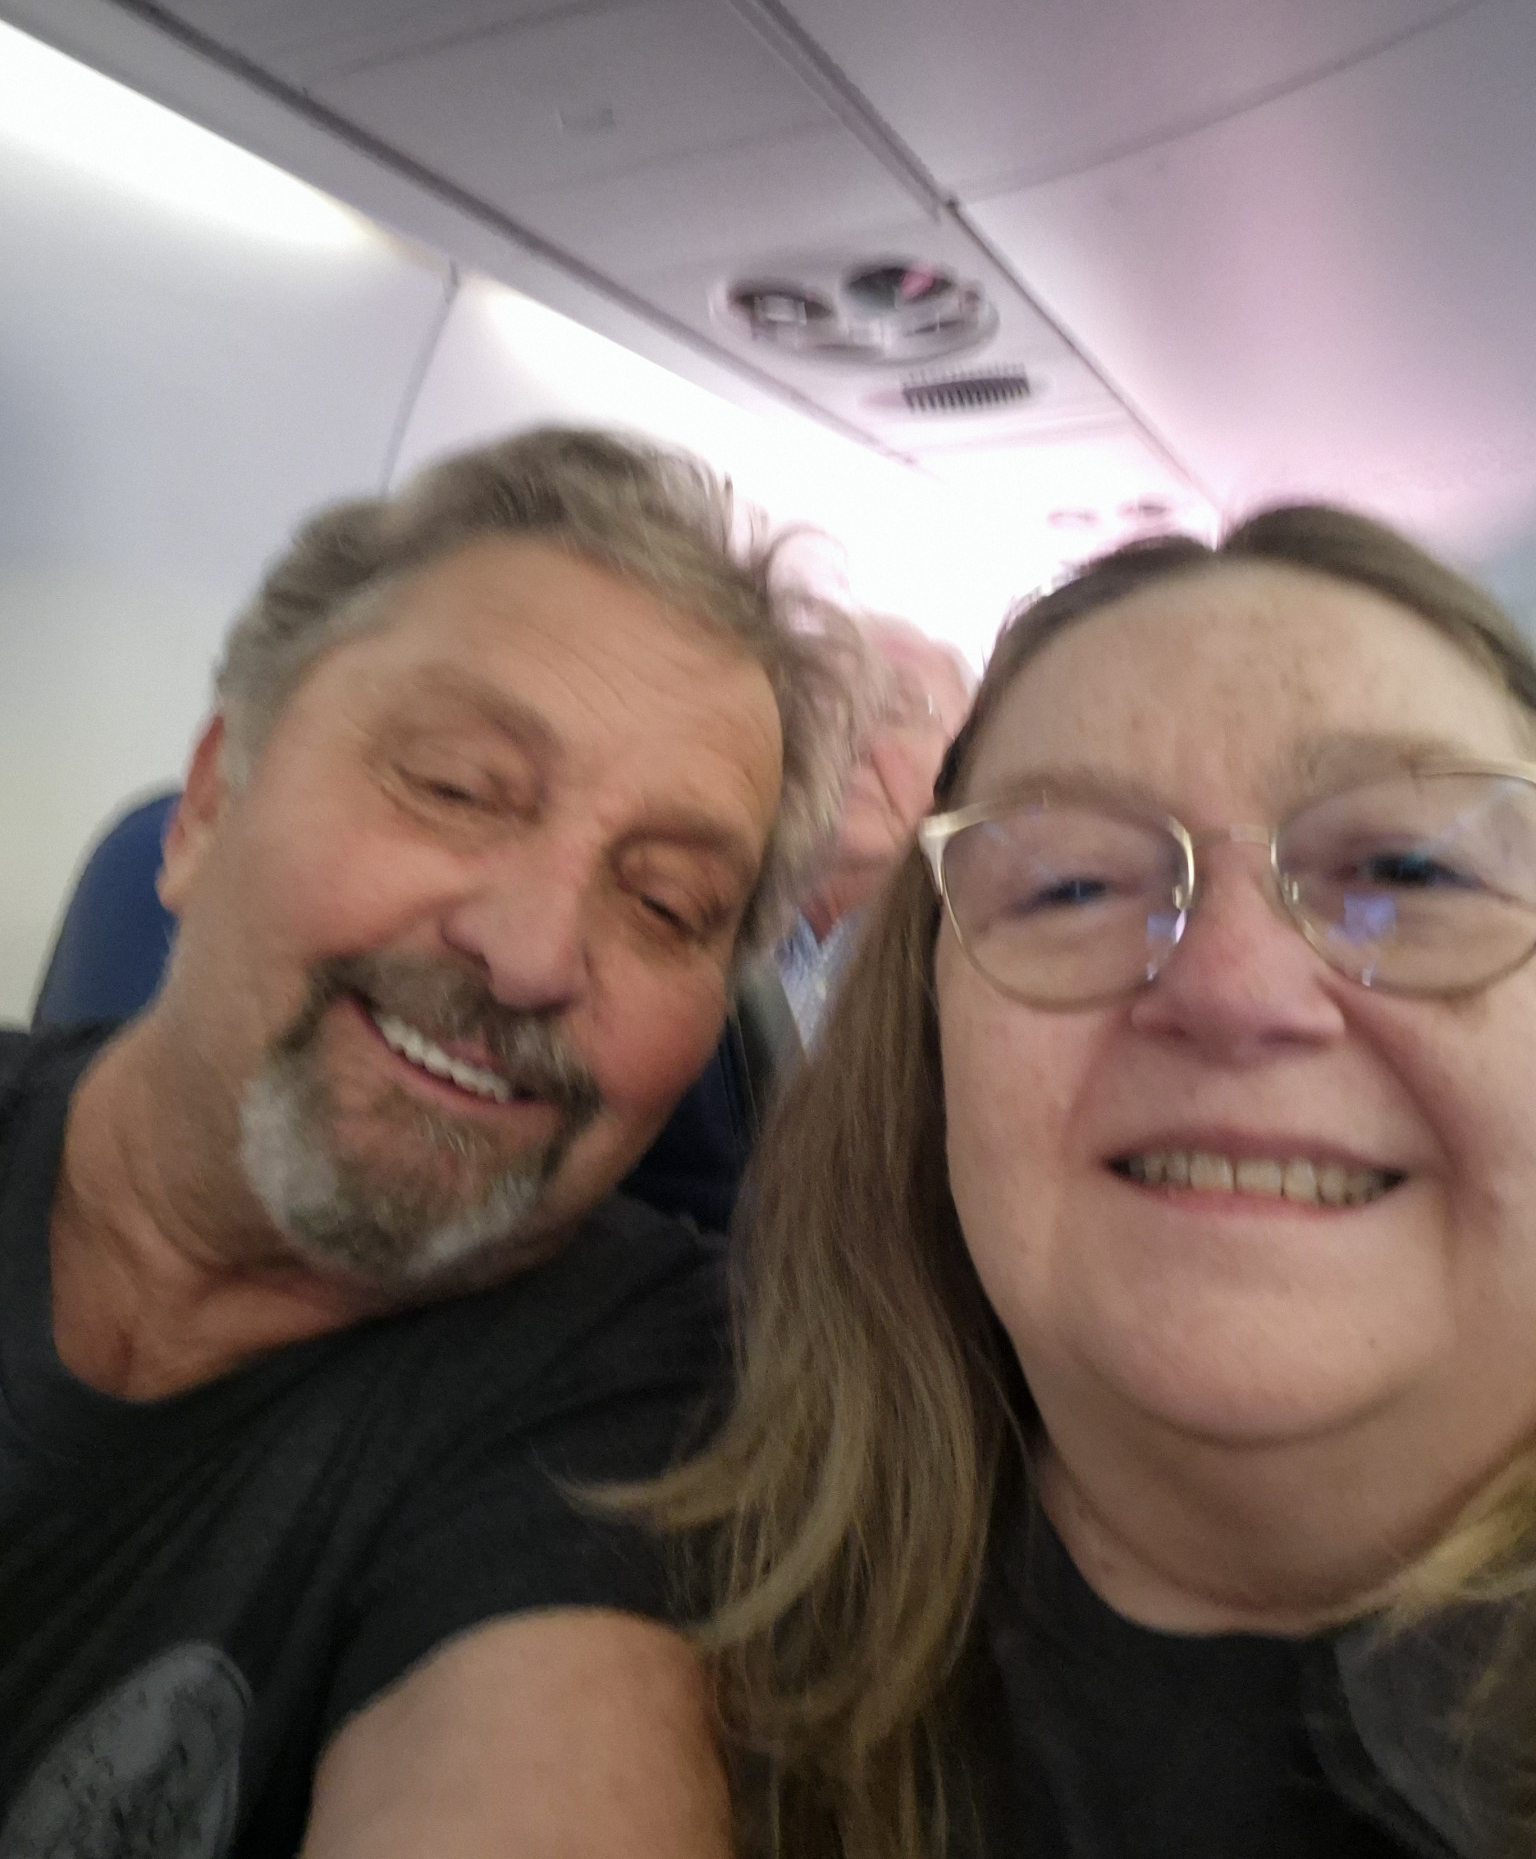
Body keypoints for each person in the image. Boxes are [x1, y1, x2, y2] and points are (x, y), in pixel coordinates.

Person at [0, 426, 863, 1858]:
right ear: (210, 803)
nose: (532, 953)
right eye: (457, 787)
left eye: (664, 903)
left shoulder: (646, 1399)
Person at [647, 503, 1536, 1859]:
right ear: (928, 1050)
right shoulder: (655, 1629)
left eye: (1408, 869)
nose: (1233, 989)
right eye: (1070, 887)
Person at [776, 615, 973, 1043]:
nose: (853, 738)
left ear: (968, 765)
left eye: (896, 710)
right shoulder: (709, 910)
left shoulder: (976, 968)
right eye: (826, 704)